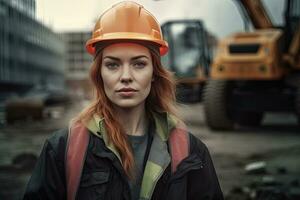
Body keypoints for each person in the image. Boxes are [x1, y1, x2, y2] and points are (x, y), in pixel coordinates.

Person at [23, 1, 223, 200]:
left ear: (154, 73)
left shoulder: (190, 151)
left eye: (139, 64)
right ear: (99, 74)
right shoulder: (63, 149)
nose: (126, 76)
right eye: (113, 65)